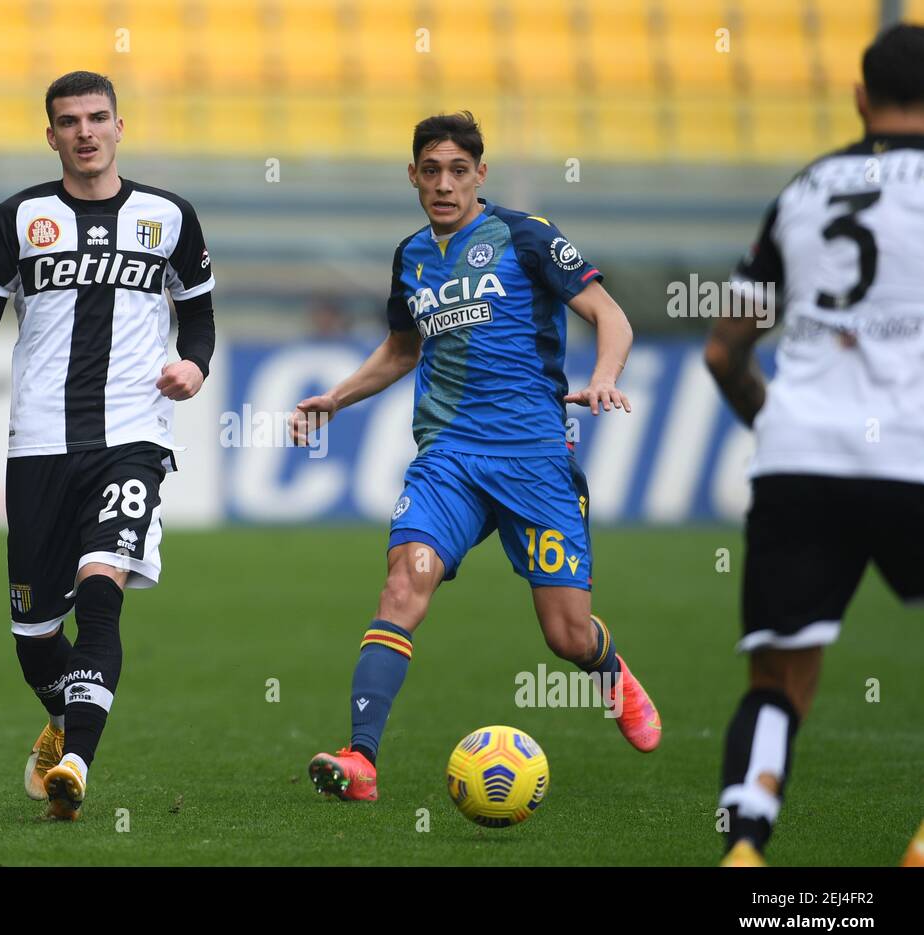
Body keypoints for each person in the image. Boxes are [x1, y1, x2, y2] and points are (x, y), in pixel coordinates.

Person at [290, 112, 661, 803]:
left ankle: (609, 669)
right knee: (403, 586)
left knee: (566, 635)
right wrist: (336, 399)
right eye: (430, 171)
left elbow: (612, 316)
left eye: (458, 171)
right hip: (449, 462)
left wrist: (606, 376)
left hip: (534, 462)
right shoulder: (411, 257)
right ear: (413, 176)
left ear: (479, 175)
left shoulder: (527, 237)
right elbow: (402, 351)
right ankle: (362, 759)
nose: (444, 184)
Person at [0, 71, 215, 820]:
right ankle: (62, 721)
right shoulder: (18, 217)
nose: (86, 132)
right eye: (70, 122)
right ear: (52, 135)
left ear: (120, 127)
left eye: (98, 118)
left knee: (102, 594)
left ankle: (77, 764)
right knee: (34, 638)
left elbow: (198, 317)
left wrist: (194, 365)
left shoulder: (170, 217)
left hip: (132, 438)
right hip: (38, 444)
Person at [706, 24, 924, 867]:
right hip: (912, 453)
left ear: (861, 98)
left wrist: (778, 428)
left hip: (800, 459)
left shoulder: (805, 189)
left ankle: (747, 846)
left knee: (779, 677)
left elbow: (726, 349)